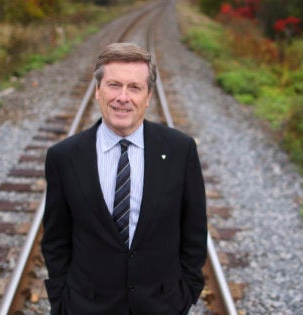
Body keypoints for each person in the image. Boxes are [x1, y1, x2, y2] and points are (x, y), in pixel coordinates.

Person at [41, 42, 207, 315]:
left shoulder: (180, 150)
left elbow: (195, 230)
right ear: (97, 90)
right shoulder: (64, 157)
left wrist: (186, 292)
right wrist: (61, 299)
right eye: (114, 85)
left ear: (148, 96)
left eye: (134, 87)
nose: (123, 97)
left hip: (161, 306)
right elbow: (56, 239)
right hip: (86, 306)